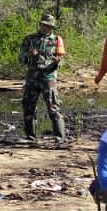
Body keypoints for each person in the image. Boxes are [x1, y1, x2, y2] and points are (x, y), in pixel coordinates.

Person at [17, 13, 66, 141]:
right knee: (28, 106)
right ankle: (30, 137)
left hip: (48, 77)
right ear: (40, 25)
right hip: (32, 77)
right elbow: (21, 58)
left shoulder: (56, 40)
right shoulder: (29, 39)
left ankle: (60, 137)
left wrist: (58, 61)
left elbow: (62, 60)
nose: (46, 28)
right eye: (44, 25)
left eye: (48, 26)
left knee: (53, 106)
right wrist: (28, 55)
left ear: (52, 27)